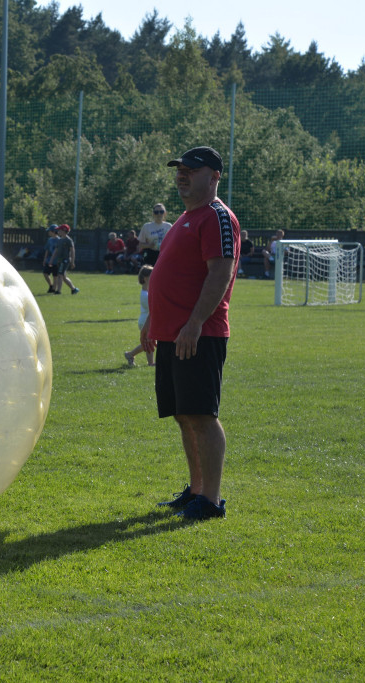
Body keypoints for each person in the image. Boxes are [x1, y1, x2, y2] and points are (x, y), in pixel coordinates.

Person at [140, 146, 240, 521]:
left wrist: (195, 323)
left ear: (214, 176)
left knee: (201, 415)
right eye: (179, 170)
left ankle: (211, 501)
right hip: (172, 333)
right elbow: (171, 274)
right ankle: (196, 491)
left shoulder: (216, 216)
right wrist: (153, 321)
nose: (182, 175)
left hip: (199, 334)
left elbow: (220, 273)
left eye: (191, 170)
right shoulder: (185, 217)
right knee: (184, 414)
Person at [124, 265, 155, 367]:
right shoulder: (145, 295)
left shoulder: (147, 292)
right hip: (145, 321)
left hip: (146, 320)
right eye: (152, 275)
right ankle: (131, 354)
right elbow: (153, 308)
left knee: (149, 342)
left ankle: (132, 355)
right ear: (145, 278)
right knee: (148, 342)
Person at [48, 224, 79, 294]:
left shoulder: (69, 240)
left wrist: (72, 262)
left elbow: (72, 251)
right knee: (64, 277)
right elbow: (55, 251)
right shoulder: (59, 240)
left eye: (59, 230)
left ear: (64, 231)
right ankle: (74, 289)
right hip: (59, 260)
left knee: (60, 275)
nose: (58, 231)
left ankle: (58, 291)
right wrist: (51, 260)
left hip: (65, 260)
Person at [42, 225, 60, 294]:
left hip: (56, 261)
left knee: (55, 276)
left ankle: (54, 289)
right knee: (45, 273)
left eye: (49, 231)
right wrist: (45, 259)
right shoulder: (49, 240)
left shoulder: (59, 240)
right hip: (49, 260)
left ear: (53, 231)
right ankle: (51, 285)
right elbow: (47, 250)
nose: (48, 232)